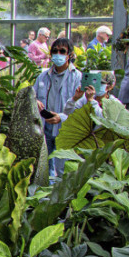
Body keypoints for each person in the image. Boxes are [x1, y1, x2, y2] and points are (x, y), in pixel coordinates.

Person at [33, 38, 83, 178]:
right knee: (44, 167)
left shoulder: (77, 77)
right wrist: (35, 101)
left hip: (65, 128)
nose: (58, 54)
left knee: (64, 168)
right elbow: (32, 95)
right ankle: (44, 197)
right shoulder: (43, 76)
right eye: (55, 51)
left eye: (62, 51)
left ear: (70, 55)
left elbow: (80, 106)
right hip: (45, 127)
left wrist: (61, 117)